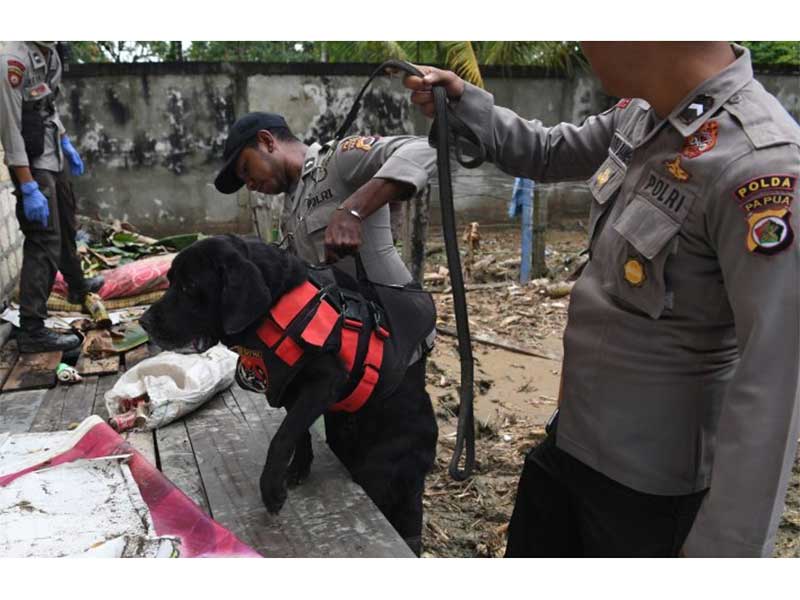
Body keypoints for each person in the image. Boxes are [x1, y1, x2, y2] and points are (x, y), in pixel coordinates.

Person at [404, 42, 800, 557]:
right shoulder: (642, 114)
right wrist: (465, 106)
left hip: (649, 495)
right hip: (572, 444)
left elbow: (774, 382)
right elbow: (548, 151)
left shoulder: (759, 163)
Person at [213, 112, 438, 555]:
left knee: (395, 477)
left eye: (246, 170)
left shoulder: (340, 162)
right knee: (352, 472)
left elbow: (422, 149)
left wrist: (354, 209)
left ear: (267, 141)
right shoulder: (292, 208)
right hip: (344, 366)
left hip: (394, 358)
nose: (250, 184)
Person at [0, 41, 103, 353]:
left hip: (52, 151)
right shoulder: (12, 62)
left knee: (67, 223)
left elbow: (48, 105)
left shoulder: (51, 53)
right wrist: (27, 185)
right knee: (44, 239)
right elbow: (10, 130)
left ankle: (77, 286)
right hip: (30, 162)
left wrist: (65, 141)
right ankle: (32, 329)